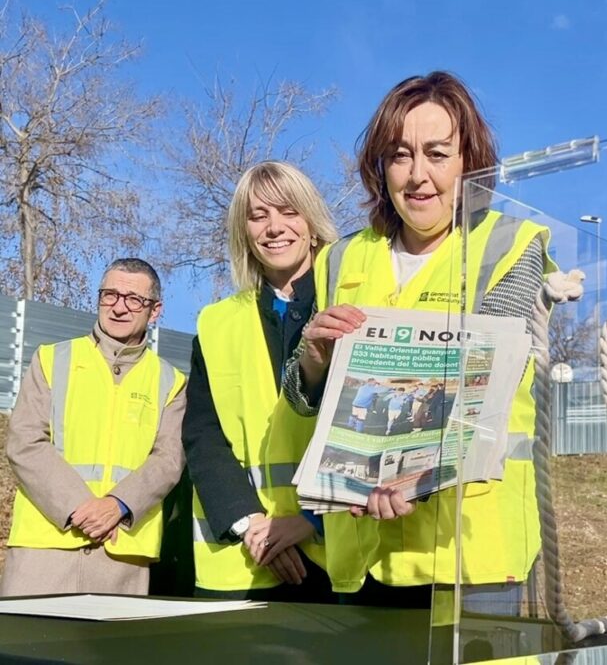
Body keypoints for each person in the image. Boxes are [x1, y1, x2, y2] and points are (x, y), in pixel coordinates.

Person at [283, 71, 552, 614]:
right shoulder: (339, 257)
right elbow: (301, 397)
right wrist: (313, 356)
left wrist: (414, 478)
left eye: (437, 154)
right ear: (380, 167)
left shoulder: (510, 247)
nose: (418, 175)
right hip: (361, 554)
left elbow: (490, 396)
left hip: (469, 554)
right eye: (401, 155)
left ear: (469, 161)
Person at [182, 161, 339, 601]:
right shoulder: (217, 323)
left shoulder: (351, 303)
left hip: (341, 549)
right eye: (257, 216)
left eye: (288, 211)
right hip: (246, 558)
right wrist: (252, 523)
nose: (274, 227)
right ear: (244, 233)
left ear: (311, 223)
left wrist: (309, 522)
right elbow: (202, 434)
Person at [1, 258, 186, 596]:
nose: (119, 307)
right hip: (45, 546)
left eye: (133, 299)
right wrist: (78, 507)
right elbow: (25, 441)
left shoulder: (171, 381)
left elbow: (168, 460)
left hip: (123, 552)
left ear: (155, 310)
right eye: (109, 295)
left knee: (108, 651)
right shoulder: (51, 359)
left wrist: (118, 505)